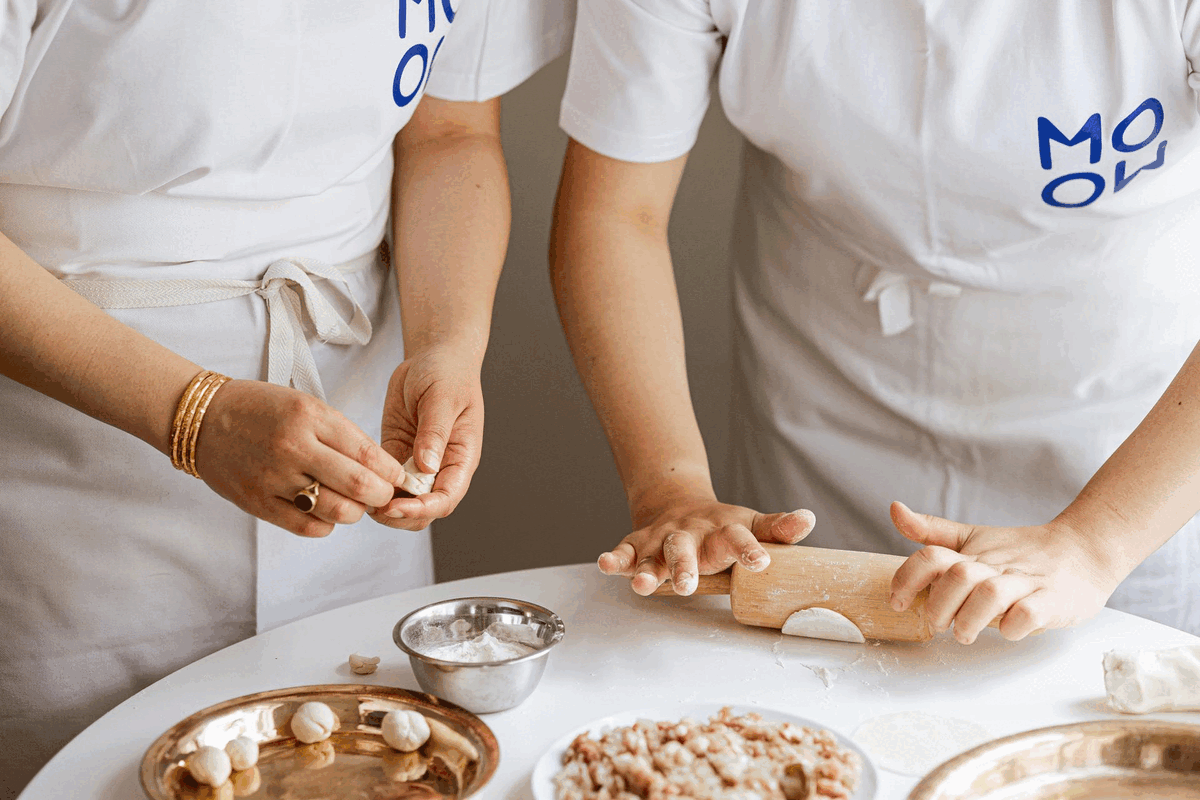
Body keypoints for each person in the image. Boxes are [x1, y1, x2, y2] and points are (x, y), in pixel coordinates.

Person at [0, 1, 573, 795]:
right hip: (71, 485)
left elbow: (450, 133)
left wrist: (447, 342)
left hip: (351, 438)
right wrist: (193, 415)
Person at [550, 0, 1200, 645]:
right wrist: (674, 490)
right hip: (824, 406)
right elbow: (616, 216)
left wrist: (1097, 541)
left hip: (1133, 448)